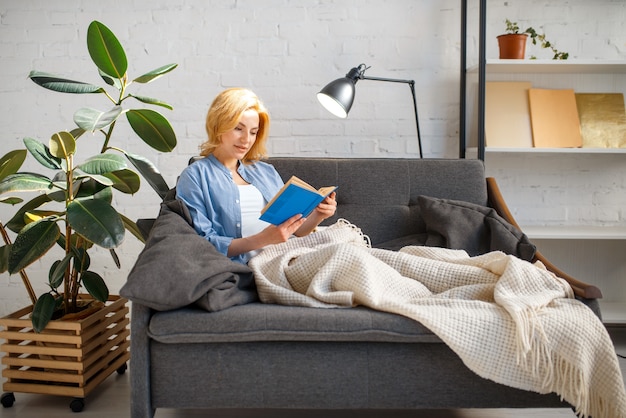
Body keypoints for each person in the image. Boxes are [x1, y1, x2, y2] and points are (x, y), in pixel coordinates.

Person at [176, 87, 337, 264]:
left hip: (291, 254)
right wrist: (263, 239)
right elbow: (203, 244)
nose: (246, 140)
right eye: (239, 129)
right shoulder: (195, 176)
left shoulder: (265, 172)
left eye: (253, 132)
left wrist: (318, 215)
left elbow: (296, 230)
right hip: (258, 266)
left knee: (347, 253)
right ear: (218, 126)